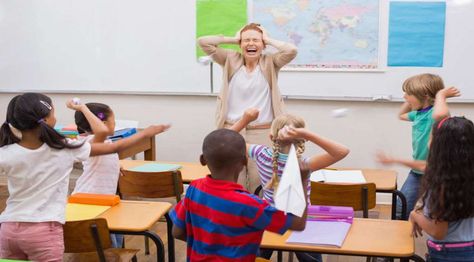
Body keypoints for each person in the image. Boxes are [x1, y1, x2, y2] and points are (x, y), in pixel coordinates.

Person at [0, 93, 168, 261]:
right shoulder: (64, 148)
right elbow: (116, 146)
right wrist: (147, 133)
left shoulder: (6, 153)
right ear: (47, 119)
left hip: (8, 229)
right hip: (44, 229)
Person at [170, 129, 309, 261]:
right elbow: (298, 224)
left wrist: (209, 246)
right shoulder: (249, 205)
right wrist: (301, 180)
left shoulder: (194, 188)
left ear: (202, 160)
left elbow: (177, 232)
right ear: (245, 161)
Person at [232, 110, 350, 261]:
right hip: (302, 221)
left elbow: (223, 140)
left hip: (270, 220)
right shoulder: (305, 165)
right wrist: (308, 134)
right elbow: (342, 151)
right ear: (303, 140)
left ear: (271, 137)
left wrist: (245, 119)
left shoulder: (261, 154)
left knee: (257, 257)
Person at [198, 23, 297, 193]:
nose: (251, 43)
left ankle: (257, 216)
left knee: (262, 181)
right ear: (240, 44)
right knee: (234, 181)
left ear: (263, 44)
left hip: (263, 131)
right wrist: (233, 39)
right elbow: (203, 42)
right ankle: (235, 216)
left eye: (256, 40)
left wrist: (268, 39)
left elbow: (291, 50)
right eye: (246, 40)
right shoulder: (230, 58)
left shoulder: (270, 62)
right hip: (232, 129)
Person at [69, 101, 170, 248]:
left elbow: (99, 160)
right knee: (107, 245)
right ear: (102, 123)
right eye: (113, 121)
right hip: (90, 201)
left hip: (105, 201)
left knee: (114, 240)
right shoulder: (92, 141)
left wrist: (116, 165)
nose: (115, 124)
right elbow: (100, 135)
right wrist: (82, 107)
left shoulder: (100, 142)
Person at [377, 73, 460, 219]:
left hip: (435, 174)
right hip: (417, 172)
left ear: (425, 95)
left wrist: (440, 95)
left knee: (434, 212)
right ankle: (397, 236)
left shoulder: (433, 114)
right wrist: (412, 98)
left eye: (408, 94)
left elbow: (441, 114)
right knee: (400, 208)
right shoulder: (418, 114)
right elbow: (401, 115)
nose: (404, 97)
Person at [410, 117, 474, 261]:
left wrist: (415, 215)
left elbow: (437, 231)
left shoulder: (444, 183)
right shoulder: (467, 174)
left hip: (450, 254)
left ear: (440, 146)